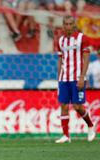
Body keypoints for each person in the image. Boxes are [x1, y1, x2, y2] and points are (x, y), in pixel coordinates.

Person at [55, 15, 95, 143]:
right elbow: (60, 59)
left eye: (70, 24)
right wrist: (59, 79)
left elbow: (86, 58)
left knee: (78, 106)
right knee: (64, 106)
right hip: (64, 78)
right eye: (65, 24)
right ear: (63, 25)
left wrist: (83, 77)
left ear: (74, 25)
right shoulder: (60, 40)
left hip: (77, 77)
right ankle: (66, 135)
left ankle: (90, 126)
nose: (68, 26)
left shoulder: (82, 38)